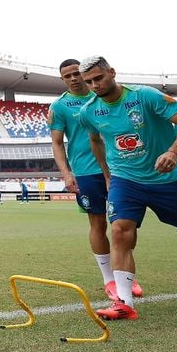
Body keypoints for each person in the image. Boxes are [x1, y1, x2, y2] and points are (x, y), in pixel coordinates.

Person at [77, 56, 177, 320]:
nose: (95, 85)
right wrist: (108, 176)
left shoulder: (145, 96)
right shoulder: (88, 111)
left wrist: (174, 152)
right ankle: (124, 302)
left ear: (112, 72)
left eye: (99, 78)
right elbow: (96, 141)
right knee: (120, 231)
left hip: (167, 180)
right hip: (125, 179)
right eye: (89, 82)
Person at [49, 58, 141, 304]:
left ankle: (126, 275)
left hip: (122, 167)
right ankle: (109, 279)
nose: (73, 78)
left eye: (76, 73)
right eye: (67, 76)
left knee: (124, 224)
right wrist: (67, 173)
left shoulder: (106, 96)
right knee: (98, 223)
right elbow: (57, 143)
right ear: (62, 79)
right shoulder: (60, 106)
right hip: (86, 171)